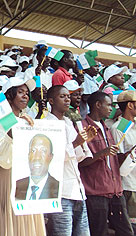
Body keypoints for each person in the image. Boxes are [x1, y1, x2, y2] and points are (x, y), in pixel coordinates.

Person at [0, 76, 46, 235]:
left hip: (30, 178)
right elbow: (3, 159)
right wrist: (14, 130)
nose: (25, 96)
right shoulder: (3, 119)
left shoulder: (28, 120)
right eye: (20, 92)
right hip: (11, 177)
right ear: (9, 95)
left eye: (27, 93)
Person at [78, 91, 133, 236]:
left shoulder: (107, 128)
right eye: (108, 105)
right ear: (97, 105)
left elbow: (112, 160)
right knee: (99, 231)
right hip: (96, 191)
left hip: (115, 189)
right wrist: (103, 153)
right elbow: (81, 161)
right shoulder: (83, 128)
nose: (111, 109)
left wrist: (124, 156)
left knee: (126, 231)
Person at [44, 85, 96, 236]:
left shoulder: (68, 122)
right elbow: (50, 157)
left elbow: (78, 157)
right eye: (62, 96)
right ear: (51, 101)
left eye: (68, 96)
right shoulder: (47, 123)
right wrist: (76, 143)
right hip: (60, 191)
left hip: (77, 189)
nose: (67, 99)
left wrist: (85, 142)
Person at [111, 90, 136, 233]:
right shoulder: (120, 127)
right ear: (130, 106)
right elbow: (118, 158)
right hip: (128, 185)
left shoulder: (132, 125)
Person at [15, 134, 59, 200]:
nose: (37, 157)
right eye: (33, 151)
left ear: (51, 157)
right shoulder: (17, 186)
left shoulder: (58, 187)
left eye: (43, 151)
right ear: (28, 155)